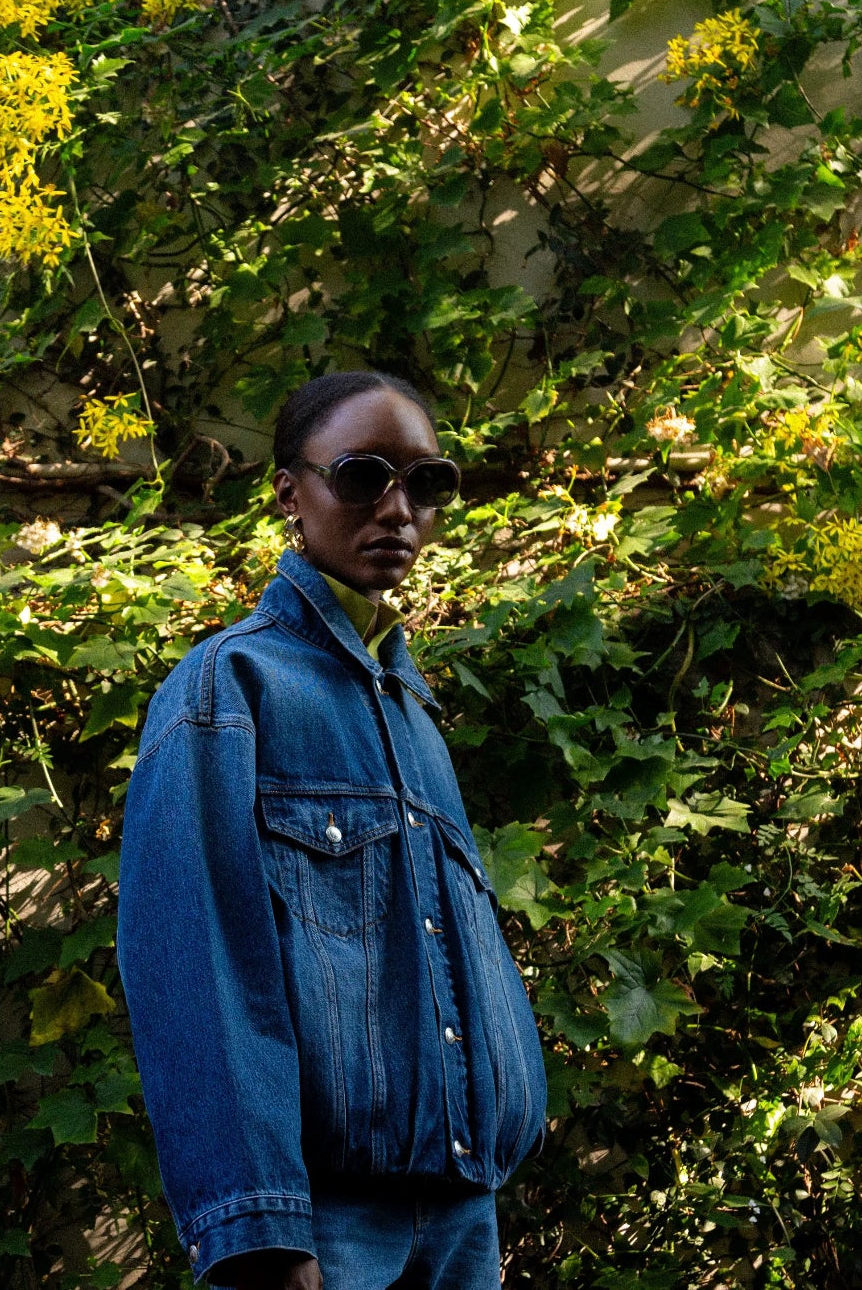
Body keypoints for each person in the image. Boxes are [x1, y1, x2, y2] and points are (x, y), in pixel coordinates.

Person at [117, 371, 548, 1289]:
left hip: (463, 1219)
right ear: (290, 494)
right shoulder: (229, 691)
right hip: (327, 1230)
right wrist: (262, 1233)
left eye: (426, 484)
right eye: (362, 476)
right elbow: (199, 968)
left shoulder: (416, 715)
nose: (398, 510)